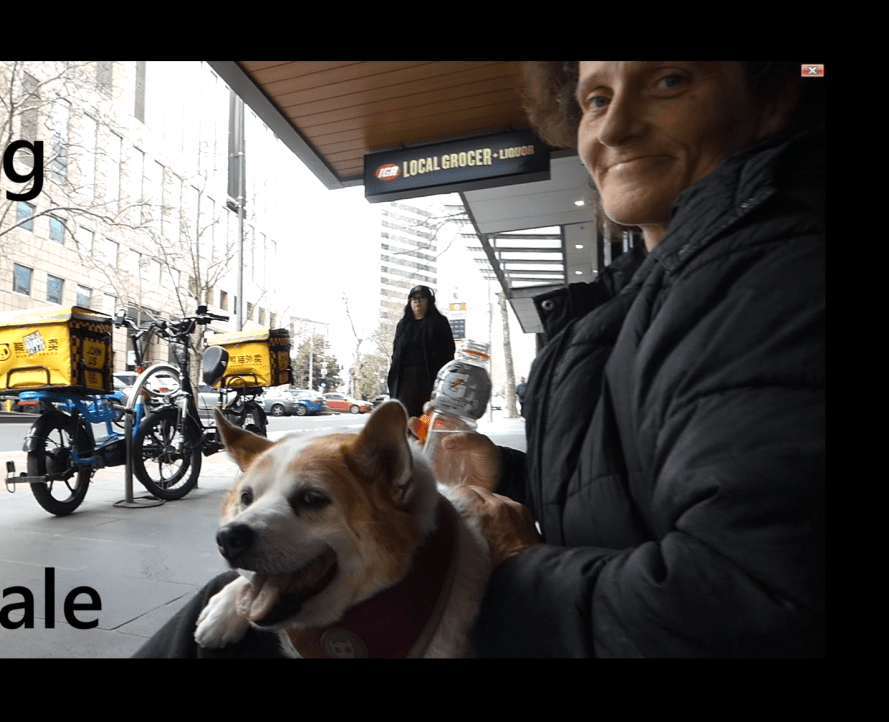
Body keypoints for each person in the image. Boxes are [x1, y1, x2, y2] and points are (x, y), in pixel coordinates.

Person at [134, 61, 824, 657]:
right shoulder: (664, 285)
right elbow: (667, 475)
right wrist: (510, 473)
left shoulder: (771, 279)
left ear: (771, 95)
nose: (613, 128)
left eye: (668, 80)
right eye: (595, 98)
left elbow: (754, 600)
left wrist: (516, 564)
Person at [384, 285, 456, 418]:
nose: (417, 301)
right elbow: (396, 354)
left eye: (421, 298)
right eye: (414, 299)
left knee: (429, 419)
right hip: (406, 381)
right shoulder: (403, 324)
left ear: (429, 301)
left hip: (430, 379)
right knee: (407, 419)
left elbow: (449, 352)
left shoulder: (439, 322)